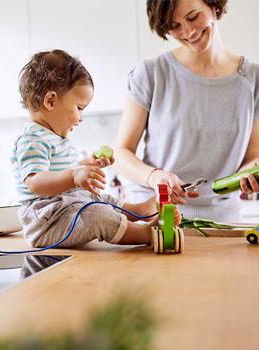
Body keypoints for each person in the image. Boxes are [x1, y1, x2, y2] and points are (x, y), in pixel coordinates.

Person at [114, 0, 259, 223]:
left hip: (222, 223)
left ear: (215, 6)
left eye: (193, 17)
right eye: (174, 26)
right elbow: (120, 154)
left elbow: (252, 157)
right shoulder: (150, 73)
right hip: (154, 219)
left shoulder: (257, 80)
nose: (188, 32)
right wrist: (154, 177)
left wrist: (254, 172)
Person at [11, 49, 180, 249]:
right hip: (46, 220)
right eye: (79, 108)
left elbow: (60, 169)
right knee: (96, 216)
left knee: (101, 200)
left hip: (65, 205)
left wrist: (85, 165)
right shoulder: (32, 138)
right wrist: (75, 176)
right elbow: (35, 182)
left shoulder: (55, 136)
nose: (81, 117)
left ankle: (138, 210)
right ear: (51, 101)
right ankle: (147, 234)